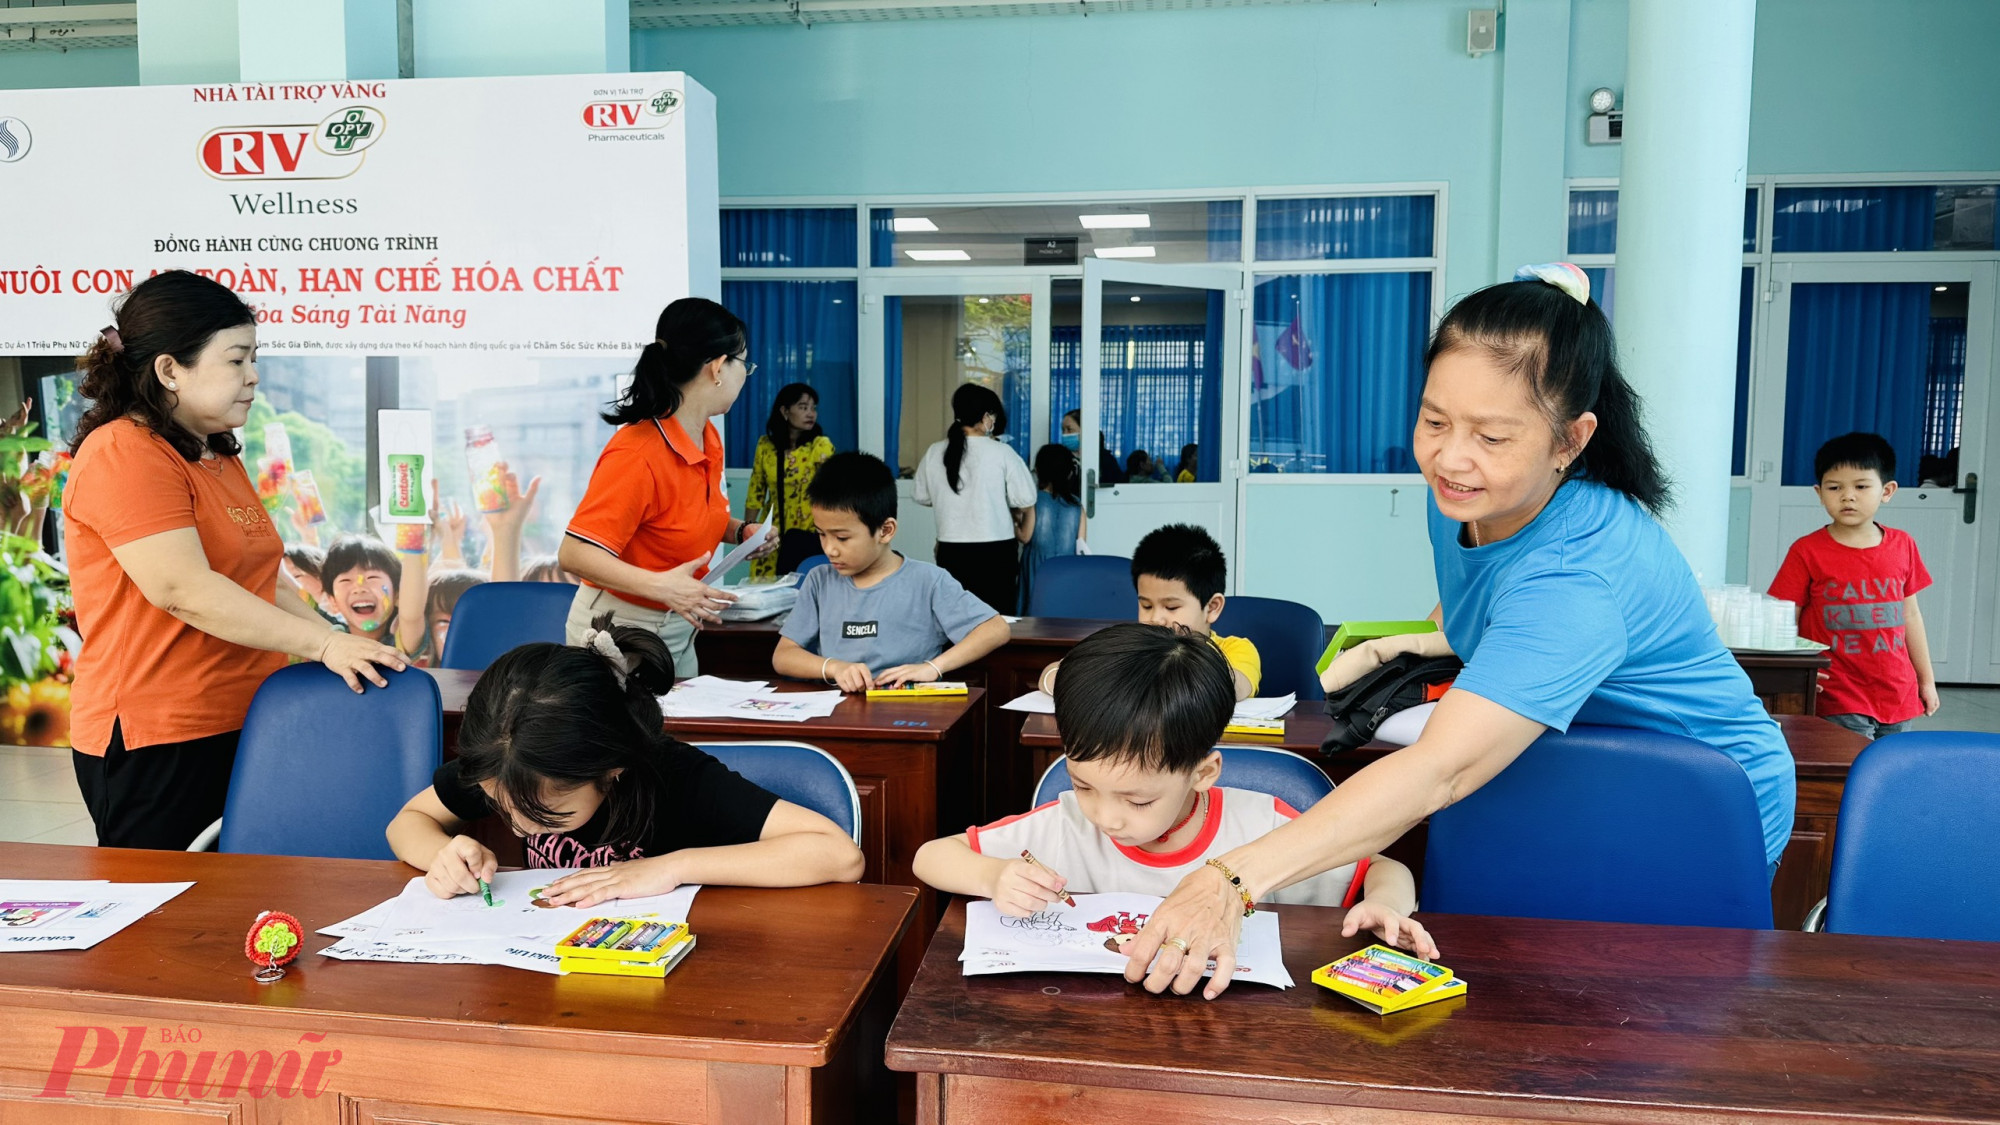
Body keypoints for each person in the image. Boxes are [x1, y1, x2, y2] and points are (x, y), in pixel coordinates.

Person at [1124, 264, 1793, 999]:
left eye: (1493, 435)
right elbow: (1499, 624)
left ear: (1571, 440)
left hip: (1686, 800)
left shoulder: (1584, 571)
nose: (1450, 457)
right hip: (1552, 772)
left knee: (1648, 1012)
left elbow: (1443, 763)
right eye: (1435, 420)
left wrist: (1230, 877)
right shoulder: (1467, 499)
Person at [62, 270, 403, 850]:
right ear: (171, 370)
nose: (253, 376)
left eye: (254, 359)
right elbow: (183, 589)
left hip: (251, 717)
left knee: (245, 904)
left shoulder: (214, 453)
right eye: (237, 360)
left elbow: (260, 580)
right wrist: (323, 646)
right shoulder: (124, 451)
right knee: (166, 917)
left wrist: (341, 646)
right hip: (161, 733)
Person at [914, 624, 1436, 956]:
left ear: (1203, 773)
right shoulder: (1064, 824)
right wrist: (994, 875)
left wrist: (1387, 906)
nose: (1106, 817)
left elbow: (1386, 868)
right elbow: (931, 857)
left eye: (1137, 800)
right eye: (1083, 784)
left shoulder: (1261, 826)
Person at [386, 616, 865, 903]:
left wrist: (671, 867)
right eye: (502, 809)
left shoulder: (670, 774)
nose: (518, 830)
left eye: (541, 816)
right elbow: (407, 821)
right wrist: (442, 857)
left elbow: (840, 856)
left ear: (610, 769)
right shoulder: (504, 759)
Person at [559, 298, 776, 677]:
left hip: (677, 624)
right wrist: (662, 587)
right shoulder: (638, 452)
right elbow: (575, 553)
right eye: (745, 364)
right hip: (616, 627)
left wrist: (741, 532)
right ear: (717, 368)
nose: (747, 374)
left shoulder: (707, 436)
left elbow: (682, 516)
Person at [772, 452, 1011, 692]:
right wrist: (833, 667)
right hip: (839, 714)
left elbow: (996, 629)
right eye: (822, 534)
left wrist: (933, 667)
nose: (829, 549)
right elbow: (783, 656)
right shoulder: (819, 581)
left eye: (842, 538)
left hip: (906, 714)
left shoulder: (928, 581)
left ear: (885, 530)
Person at [1769, 433, 1939, 739]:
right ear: (1820, 493)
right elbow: (1785, 618)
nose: (1848, 496)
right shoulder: (1806, 551)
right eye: (1835, 488)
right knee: (1848, 774)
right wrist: (1798, 673)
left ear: (1887, 491)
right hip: (1837, 692)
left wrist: (1925, 681)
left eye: (1861, 486)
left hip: (1897, 691)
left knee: (1889, 773)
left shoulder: (1903, 545)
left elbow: (1911, 616)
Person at [1038, 523, 1260, 701]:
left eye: (1171, 607)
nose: (1155, 618)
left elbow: (1235, 686)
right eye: (1146, 605)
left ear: (1212, 608)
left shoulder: (1236, 650)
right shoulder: (1128, 646)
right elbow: (1050, 675)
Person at [913, 384, 1037, 615]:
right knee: (999, 618)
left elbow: (922, 496)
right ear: (986, 416)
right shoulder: (1002, 453)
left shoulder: (934, 451)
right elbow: (1026, 498)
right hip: (996, 551)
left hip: (951, 549)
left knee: (955, 616)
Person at [747, 382, 837, 581]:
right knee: (765, 591)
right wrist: (748, 532)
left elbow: (831, 491)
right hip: (772, 533)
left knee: (802, 589)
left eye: (813, 408)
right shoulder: (765, 446)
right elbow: (756, 493)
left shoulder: (820, 446)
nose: (810, 414)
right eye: (803, 407)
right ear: (785, 411)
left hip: (808, 532)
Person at [1017, 443, 1087, 614]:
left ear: (1039, 471)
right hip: (1066, 568)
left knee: (1034, 609)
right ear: (1069, 472)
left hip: (1037, 566)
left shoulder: (1034, 501)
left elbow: (1025, 536)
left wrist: (1013, 524)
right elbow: (1081, 544)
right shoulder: (1077, 505)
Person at [1062, 408, 1124, 486]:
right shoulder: (1062, 458)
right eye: (1063, 430)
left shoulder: (1105, 459)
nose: (1065, 434)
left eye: (1069, 429)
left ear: (1086, 430)